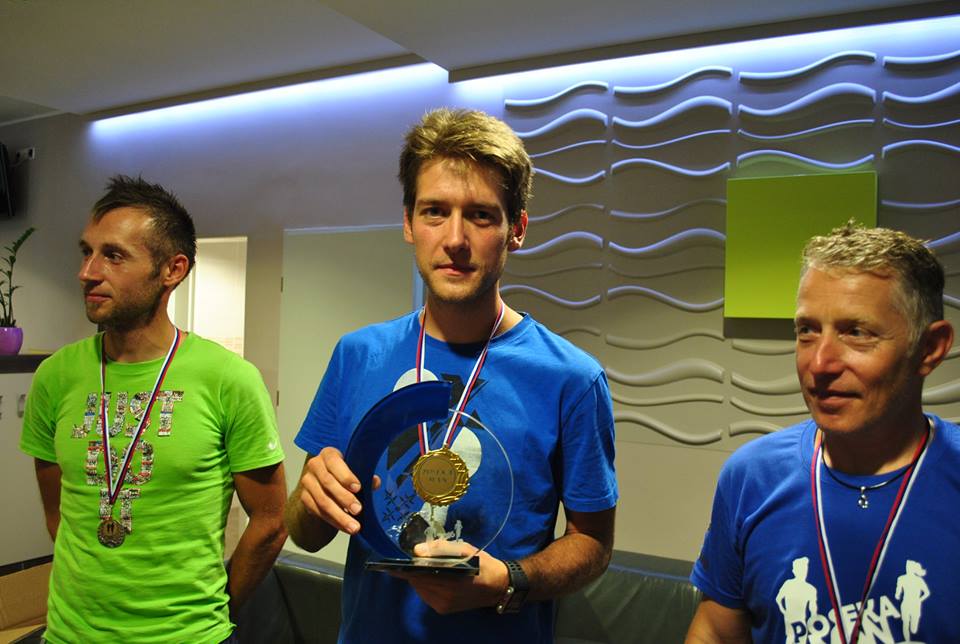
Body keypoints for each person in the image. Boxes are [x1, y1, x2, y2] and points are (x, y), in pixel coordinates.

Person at [285, 107, 618, 643]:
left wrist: (509, 581)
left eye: (481, 215)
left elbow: (594, 543)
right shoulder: (357, 355)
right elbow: (307, 533)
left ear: (517, 229)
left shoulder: (573, 379)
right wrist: (310, 499)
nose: (455, 238)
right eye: (435, 211)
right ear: (408, 223)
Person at [20, 175, 287, 643]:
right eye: (87, 252)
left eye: (114, 255)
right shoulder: (55, 376)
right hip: (69, 635)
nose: (88, 272)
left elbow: (270, 521)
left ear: (172, 270)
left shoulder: (228, 379)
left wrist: (217, 611)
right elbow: (58, 512)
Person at [686, 223, 957, 643]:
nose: (820, 364)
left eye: (857, 332)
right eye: (807, 331)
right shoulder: (752, 477)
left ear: (929, 348)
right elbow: (716, 632)